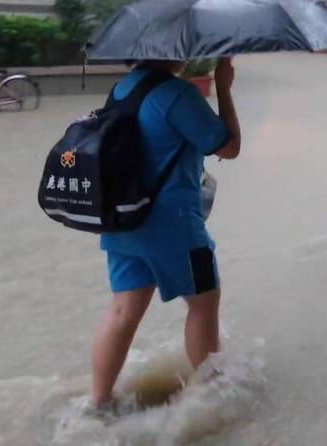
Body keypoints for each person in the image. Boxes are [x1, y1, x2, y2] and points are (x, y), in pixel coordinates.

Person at [86, 58, 241, 415]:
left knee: (122, 311)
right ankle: (210, 398)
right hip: (174, 226)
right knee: (204, 304)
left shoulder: (124, 88)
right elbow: (228, 147)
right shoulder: (177, 95)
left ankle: (97, 403)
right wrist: (224, 89)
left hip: (123, 221)